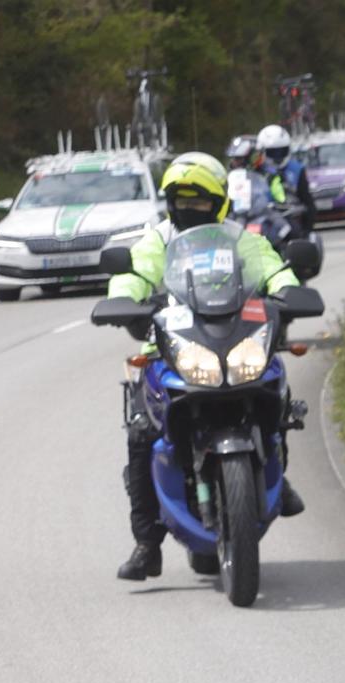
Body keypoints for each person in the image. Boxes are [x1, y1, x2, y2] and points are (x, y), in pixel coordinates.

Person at [107, 153, 305, 581]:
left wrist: (289, 293)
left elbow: (274, 270)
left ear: (218, 202)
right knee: (143, 431)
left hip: (235, 338)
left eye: (199, 201)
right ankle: (147, 543)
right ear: (170, 203)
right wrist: (124, 298)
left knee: (276, 390)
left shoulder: (242, 239)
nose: (190, 209)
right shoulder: (156, 240)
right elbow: (135, 275)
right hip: (171, 347)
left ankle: (274, 470)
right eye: (182, 200)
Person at [255, 123, 315, 234]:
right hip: (258, 218)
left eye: (281, 151)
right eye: (273, 152)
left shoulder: (297, 169)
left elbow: (307, 201)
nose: (278, 156)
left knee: (294, 233)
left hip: (286, 217)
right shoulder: (255, 170)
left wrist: (307, 230)